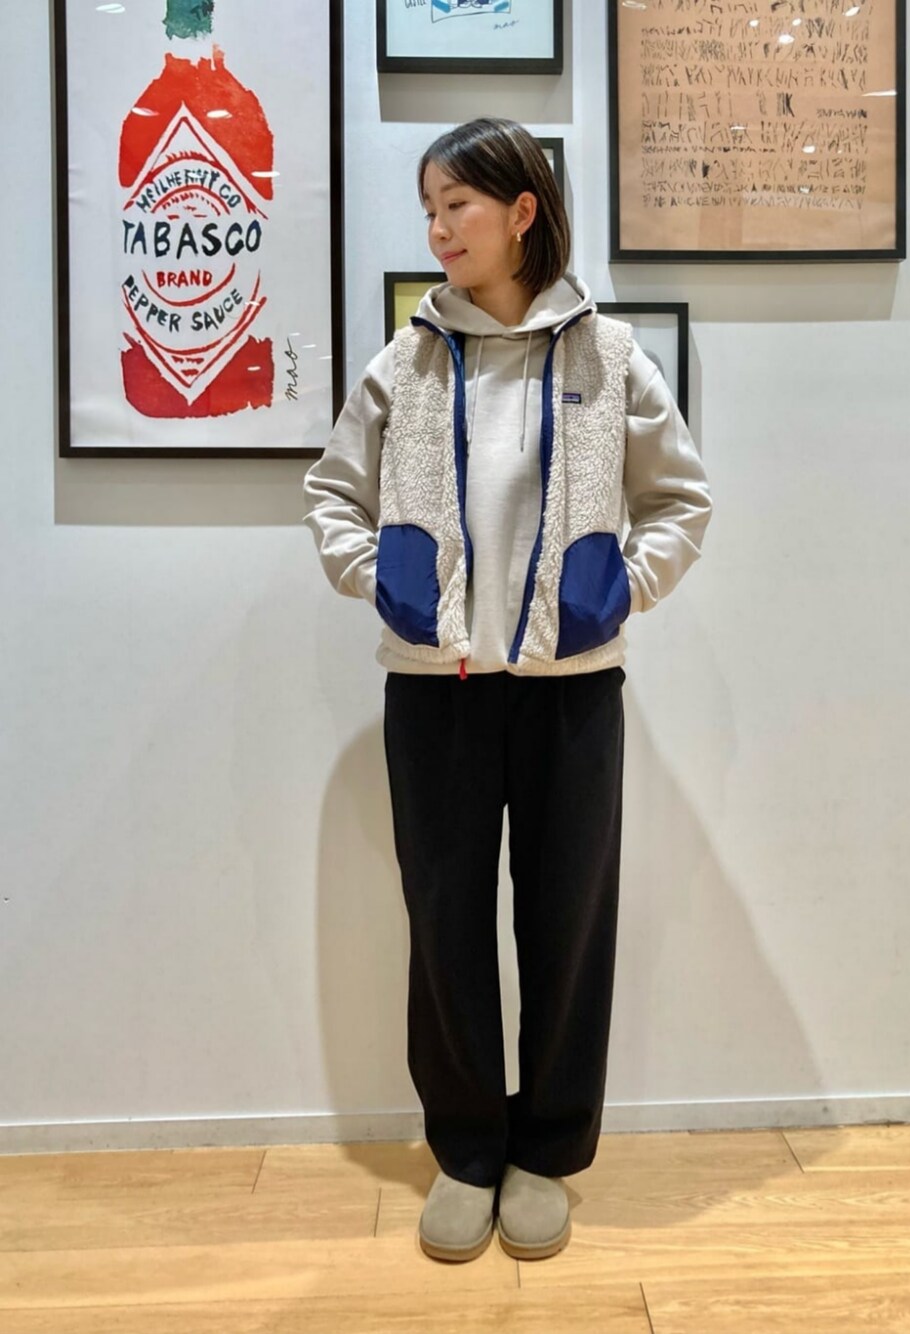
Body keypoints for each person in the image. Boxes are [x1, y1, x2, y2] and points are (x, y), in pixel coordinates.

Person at [302, 116, 712, 1264]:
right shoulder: (404, 363)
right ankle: (468, 1148)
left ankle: (547, 1150)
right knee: (443, 918)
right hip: (435, 690)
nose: (438, 230)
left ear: (522, 210)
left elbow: (682, 500)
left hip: (570, 689)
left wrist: (622, 589)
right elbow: (331, 493)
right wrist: (379, 578)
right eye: (428, 210)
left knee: (567, 918)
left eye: (457, 206)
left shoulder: (608, 357)